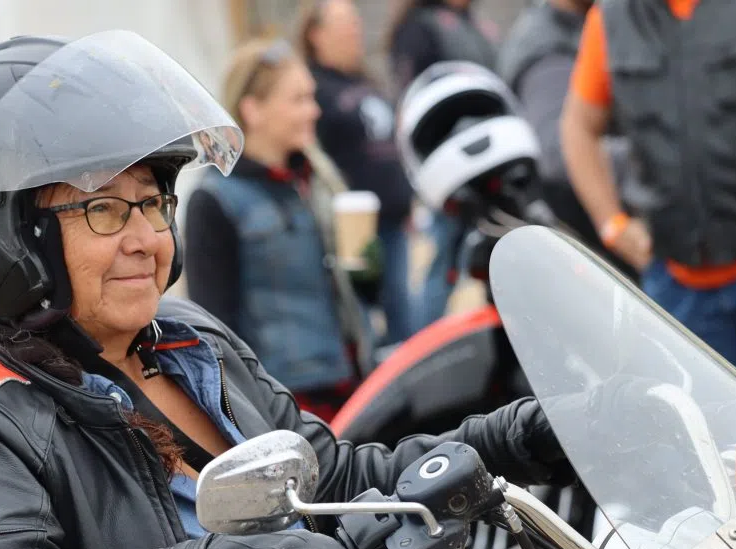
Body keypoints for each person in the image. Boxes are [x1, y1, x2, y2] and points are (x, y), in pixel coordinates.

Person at [0, 32, 572, 549]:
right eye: (104, 210)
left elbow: (333, 480)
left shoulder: (193, 346)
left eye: (153, 203)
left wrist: (508, 437)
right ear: (10, 236)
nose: (146, 237)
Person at [184, 37, 370, 422]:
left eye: (312, 98)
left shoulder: (316, 180)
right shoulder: (214, 200)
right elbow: (214, 329)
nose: (314, 111)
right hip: (288, 402)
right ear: (253, 110)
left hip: (352, 381)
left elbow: (349, 292)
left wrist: (368, 273)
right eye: (299, 99)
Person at [560, 0, 736, 369]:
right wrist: (611, 224)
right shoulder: (612, 19)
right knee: (713, 422)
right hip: (678, 292)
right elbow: (579, 126)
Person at [296, 0, 415, 346]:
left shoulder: (364, 79)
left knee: (401, 314)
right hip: (356, 226)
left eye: (355, 23)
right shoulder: (314, 88)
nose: (355, 31)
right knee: (363, 318)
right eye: (344, 24)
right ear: (316, 35)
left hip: (392, 218)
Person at [495, 0, 636, 280]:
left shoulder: (586, 24)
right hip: (590, 260)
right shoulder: (546, 47)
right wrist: (666, 163)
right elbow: (558, 153)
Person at [383, 0, 500, 333]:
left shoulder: (472, 24)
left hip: (489, 161)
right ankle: (428, 338)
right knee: (442, 265)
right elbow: (411, 101)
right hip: (448, 168)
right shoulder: (420, 28)